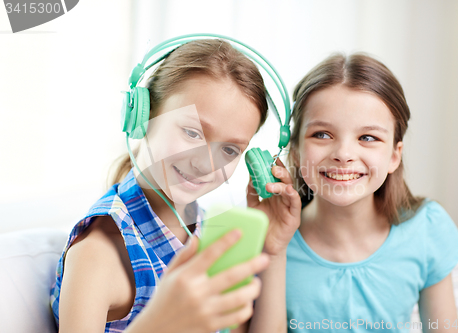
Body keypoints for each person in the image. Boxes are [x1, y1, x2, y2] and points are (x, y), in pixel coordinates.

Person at [49, 38, 300, 333]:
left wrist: (274, 250)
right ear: (143, 116)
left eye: (229, 150)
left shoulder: (208, 232)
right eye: (192, 132)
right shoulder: (99, 253)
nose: (205, 163)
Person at [280, 53, 458, 332]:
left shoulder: (427, 229)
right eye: (322, 134)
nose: (344, 154)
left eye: (368, 138)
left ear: (394, 155)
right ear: (295, 151)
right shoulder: (272, 241)